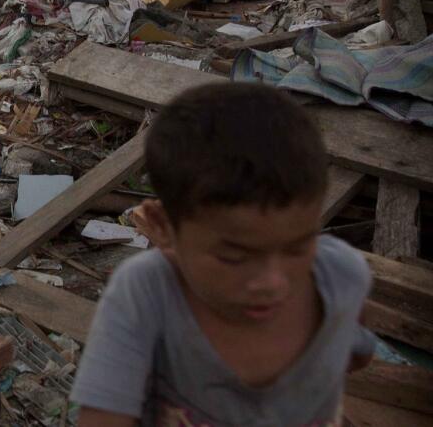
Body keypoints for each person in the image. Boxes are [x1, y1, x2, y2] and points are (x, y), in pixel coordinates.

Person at [71, 83, 375, 427]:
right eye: (235, 257)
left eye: (298, 247)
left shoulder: (342, 273)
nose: (272, 283)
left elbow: (355, 351)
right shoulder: (147, 293)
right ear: (162, 226)